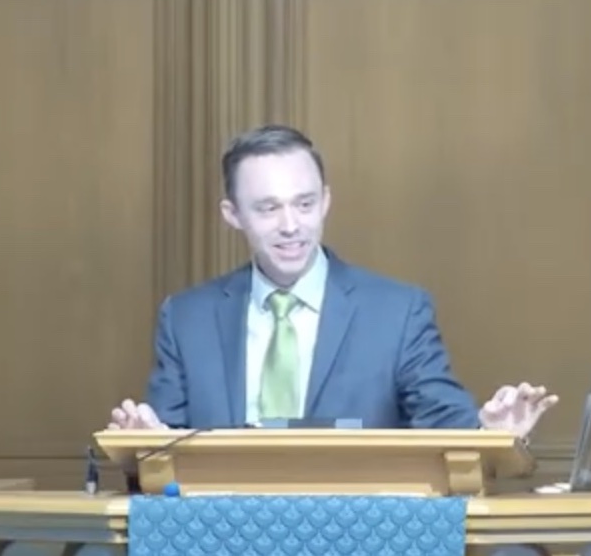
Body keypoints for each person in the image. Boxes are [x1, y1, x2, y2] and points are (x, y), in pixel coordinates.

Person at [109, 125, 558, 437]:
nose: (291, 225)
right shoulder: (187, 318)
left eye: (304, 204)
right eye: (268, 208)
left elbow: (449, 430)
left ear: (325, 200)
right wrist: (137, 445)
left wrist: (492, 435)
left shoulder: (398, 313)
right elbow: (159, 449)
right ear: (233, 214)